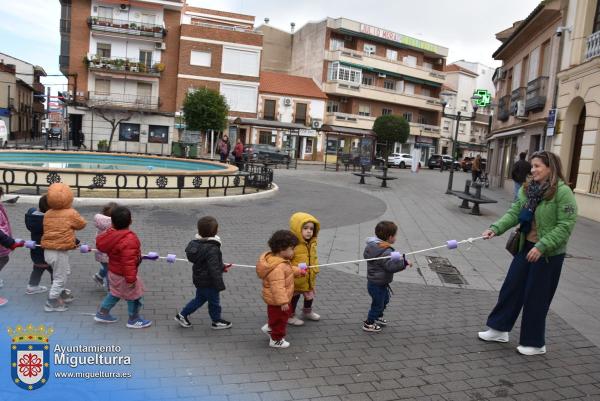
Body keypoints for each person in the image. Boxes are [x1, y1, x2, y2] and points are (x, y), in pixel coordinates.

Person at [479, 151, 577, 355]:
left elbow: (566, 225)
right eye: (532, 166)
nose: (532, 170)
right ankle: (499, 329)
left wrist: (542, 246)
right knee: (511, 287)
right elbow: (515, 212)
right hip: (526, 247)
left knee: (536, 296)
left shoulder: (563, 192)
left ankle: (534, 343)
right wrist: (495, 228)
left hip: (548, 253)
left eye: (537, 166)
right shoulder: (528, 189)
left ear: (551, 167)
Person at [94, 206, 152, 328]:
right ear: (130, 221)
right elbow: (128, 262)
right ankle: (134, 319)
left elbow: (100, 244)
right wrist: (131, 279)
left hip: (113, 272)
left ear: (112, 222)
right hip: (124, 274)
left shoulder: (109, 235)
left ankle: (102, 313)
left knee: (115, 293)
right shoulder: (130, 239)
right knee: (134, 295)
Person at [174, 216, 232, 330]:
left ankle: (182, 315)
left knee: (200, 299)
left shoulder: (196, 245)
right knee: (214, 302)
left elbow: (210, 264)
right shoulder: (213, 248)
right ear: (215, 231)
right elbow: (213, 268)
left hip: (200, 279)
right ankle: (216, 321)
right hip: (210, 282)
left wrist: (222, 267)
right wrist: (219, 284)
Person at [41, 183, 87, 312]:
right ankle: (52, 302)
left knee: (63, 272)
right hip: (59, 251)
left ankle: (60, 293)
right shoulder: (71, 213)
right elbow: (82, 224)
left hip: (49, 250)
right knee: (60, 278)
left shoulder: (48, 213)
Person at [256, 230, 305, 349]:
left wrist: (299, 271)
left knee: (278, 316)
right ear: (282, 249)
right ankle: (276, 339)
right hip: (279, 300)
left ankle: (270, 328)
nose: (293, 252)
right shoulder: (278, 267)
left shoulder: (279, 261)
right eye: (292, 249)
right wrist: (283, 301)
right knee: (281, 320)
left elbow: (288, 270)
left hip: (277, 300)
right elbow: (277, 286)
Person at [363, 221, 410, 332]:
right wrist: (404, 263)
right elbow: (390, 267)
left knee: (385, 300)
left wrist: (398, 257)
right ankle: (369, 323)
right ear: (390, 237)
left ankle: (378, 316)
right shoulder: (385, 250)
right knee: (378, 303)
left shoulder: (375, 246)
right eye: (395, 235)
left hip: (378, 282)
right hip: (377, 283)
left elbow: (387, 259)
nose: (396, 238)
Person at [288, 212, 320, 326]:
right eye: (305, 228)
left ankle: (307, 311)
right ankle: (290, 315)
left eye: (311, 229)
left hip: (308, 276)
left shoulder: (312, 243)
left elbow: (314, 257)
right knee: (294, 298)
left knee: (309, 296)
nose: (309, 231)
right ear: (297, 229)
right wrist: (293, 270)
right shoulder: (292, 244)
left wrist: (315, 267)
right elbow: (286, 262)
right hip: (296, 278)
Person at [0, 188, 26, 306]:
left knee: (4, 259)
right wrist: (10, 242)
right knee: (3, 259)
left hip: (3, 242)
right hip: (3, 242)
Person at [24, 195, 53, 295]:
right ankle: (57, 291)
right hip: (48, 251)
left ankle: (32, 286)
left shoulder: (32, 216)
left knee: (38, 268)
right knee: (56, 271)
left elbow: (31, 209)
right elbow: (61, 233)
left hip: (36, 250)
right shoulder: (49, 221)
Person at [92, 202, 118, 290]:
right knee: (110, 271)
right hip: (110, 253)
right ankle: (111, 289)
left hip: (100, 252)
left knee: (106, 267)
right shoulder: (115, 226)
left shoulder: (101, 224)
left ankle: (99, 277)